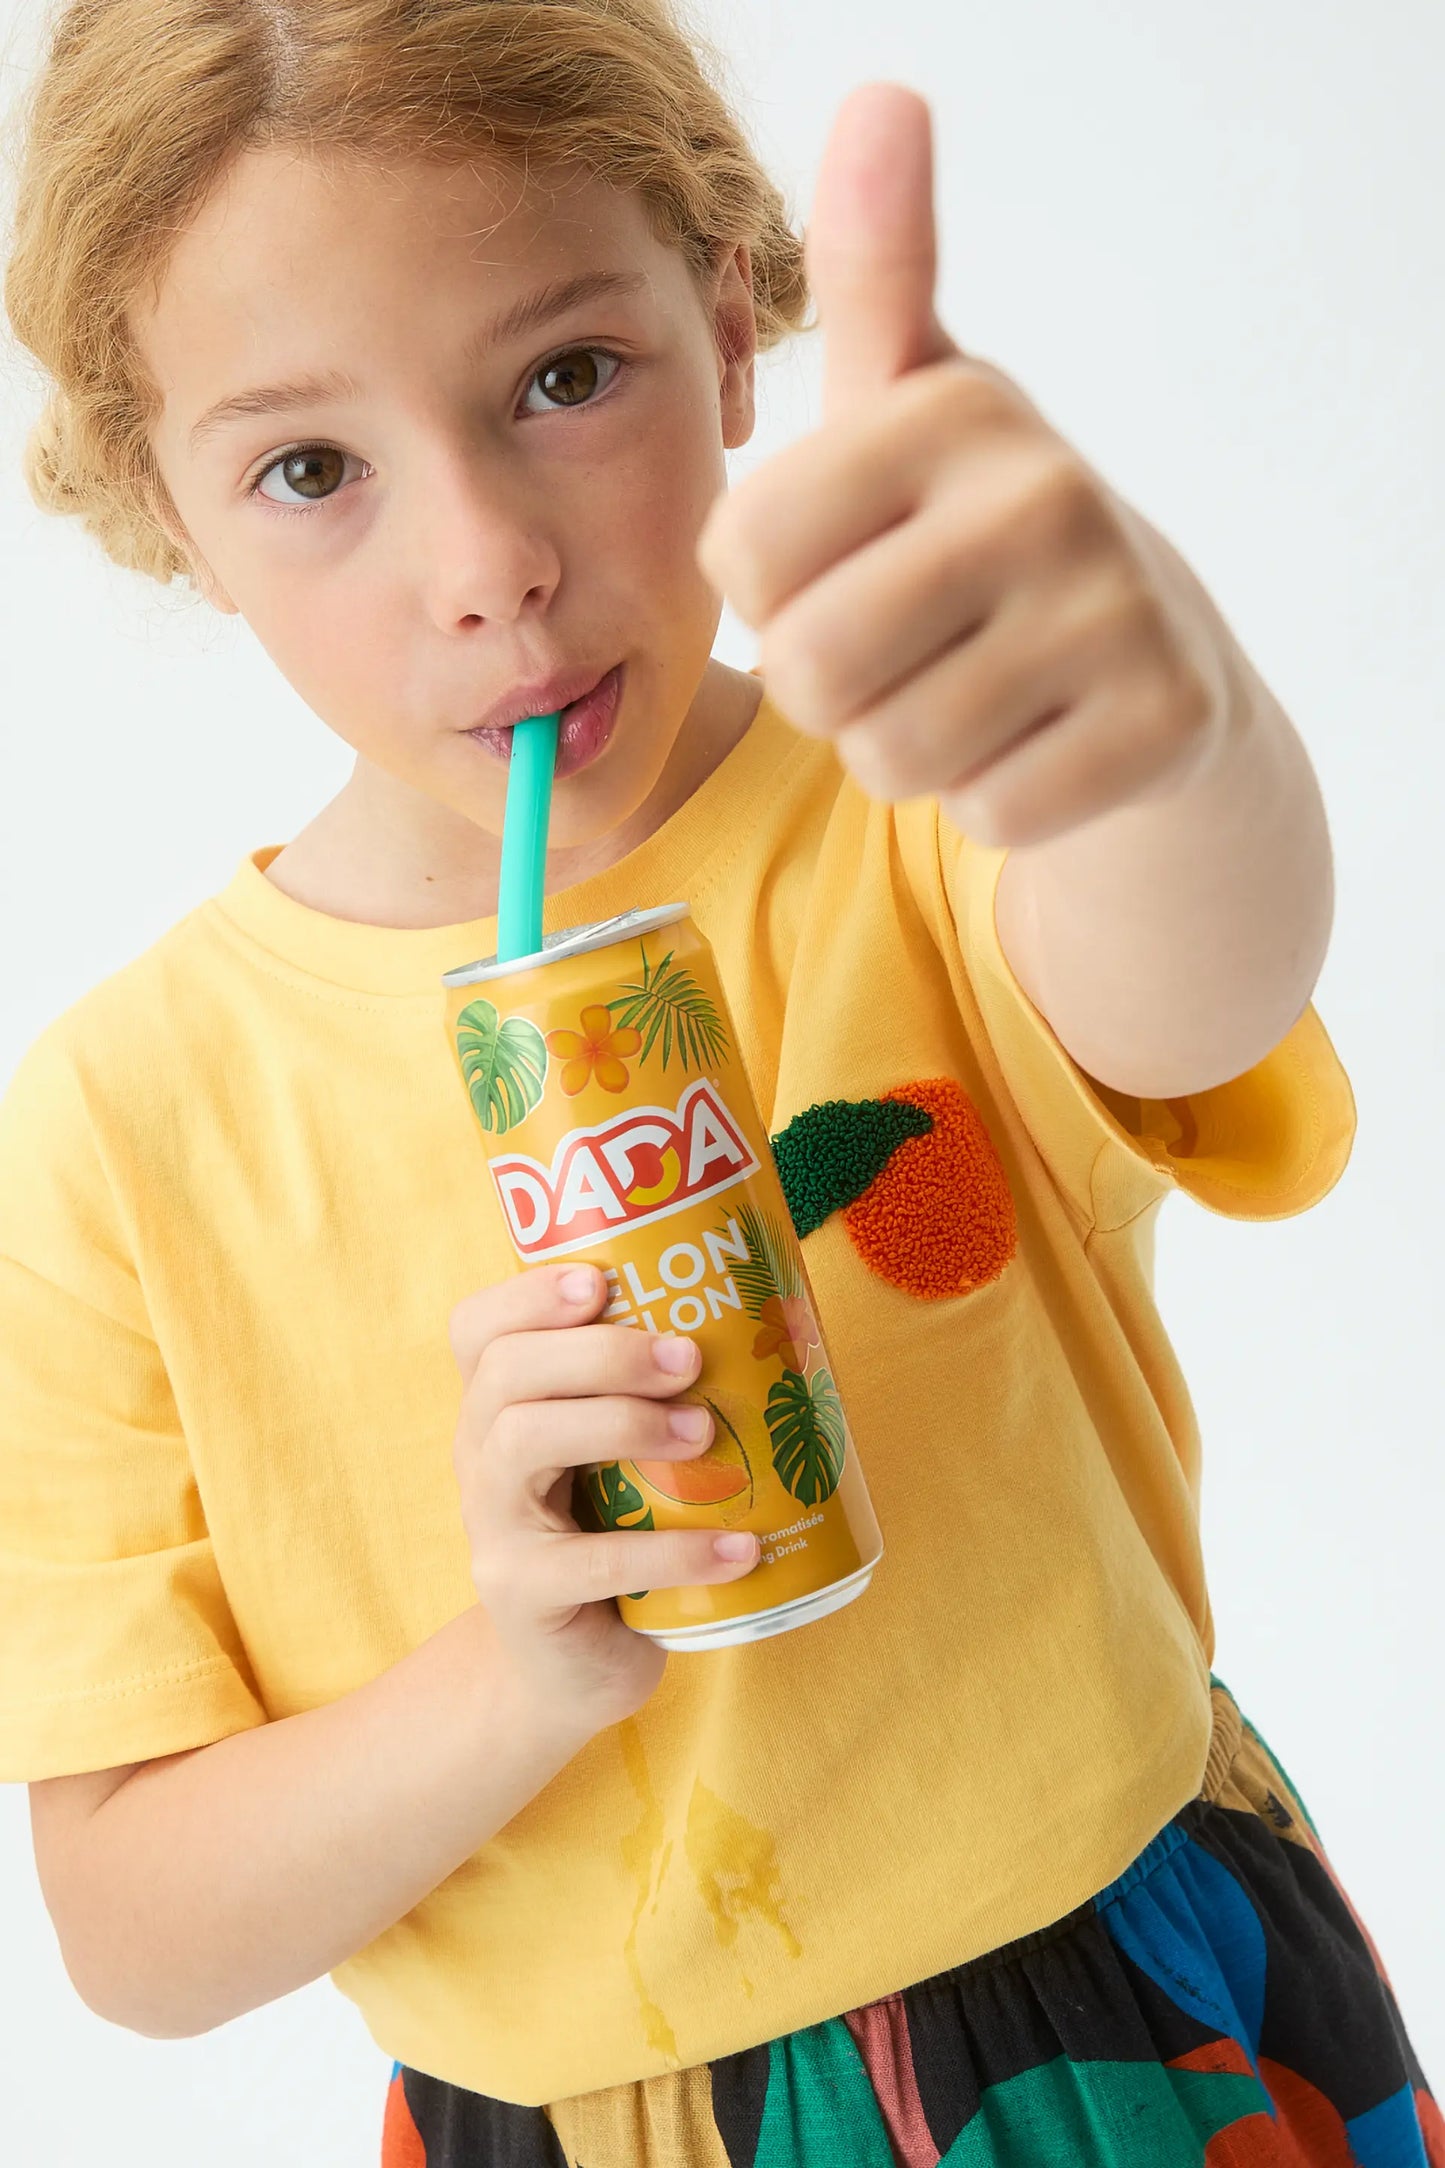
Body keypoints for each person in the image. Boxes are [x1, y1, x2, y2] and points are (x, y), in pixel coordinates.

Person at [0, 3, 1437, 2163]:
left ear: (735, 323)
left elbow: (1200, 974)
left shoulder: (922, 814)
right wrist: (516, 1670)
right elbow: (133, 1931)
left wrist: (1157, 716)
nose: (484, 560)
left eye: (564, 377)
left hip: (1128, 2013)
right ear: (166, 505)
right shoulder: (117, 1132)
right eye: (313, 469)